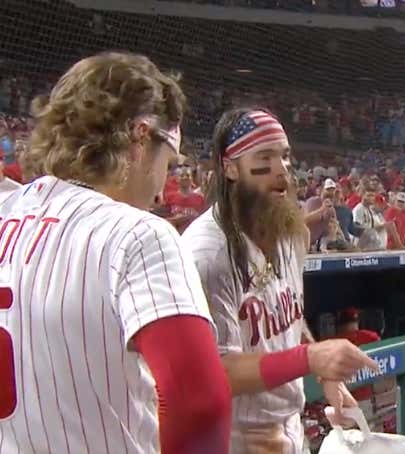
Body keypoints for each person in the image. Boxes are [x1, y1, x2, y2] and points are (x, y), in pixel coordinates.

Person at [0, 52, 232, 453]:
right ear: (141, 138)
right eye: (168, 162)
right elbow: (198, 404)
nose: (162, 190)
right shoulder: (138, 234)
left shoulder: (7, 211)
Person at [182, 107, 377, 454]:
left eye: (285, 156)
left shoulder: (289, 233)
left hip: (287, 428)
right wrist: (311, 358)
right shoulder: (207, 254)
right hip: (234, 439)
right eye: (265, 157)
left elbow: (290, 314)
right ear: (230, 168)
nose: (281, 170)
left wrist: (326, 375)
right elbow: (211, 370)